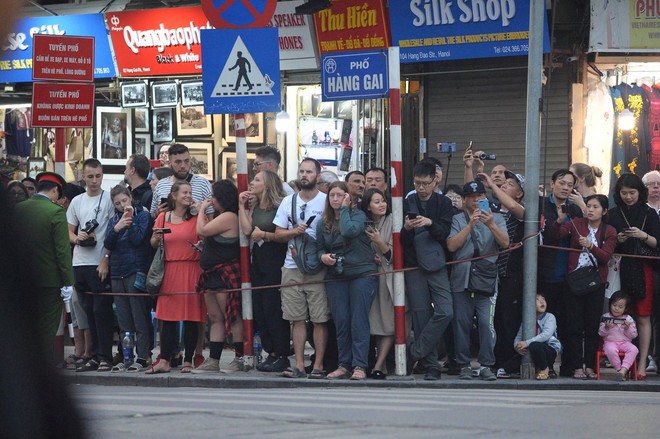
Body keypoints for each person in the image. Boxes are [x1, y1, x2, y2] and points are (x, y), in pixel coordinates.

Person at [150, 143, 213, 366]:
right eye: (178, 161)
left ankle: (192, 355)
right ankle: (167, 356)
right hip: (170, 262)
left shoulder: (203, 184)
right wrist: (160, 215)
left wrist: (200, 209)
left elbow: (211, 222)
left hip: (192, 260)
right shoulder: (161, 187)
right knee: (168, 313)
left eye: (186, 161)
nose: (183, 165)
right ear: (170, 162)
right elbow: (152, 215)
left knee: (192, 313)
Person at [548, 194, 617, 380]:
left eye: (595, 207)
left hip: (596, 283)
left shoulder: (609, 230)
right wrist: (559, 220)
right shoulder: (577, 223)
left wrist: (590, 245)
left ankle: (591, 367)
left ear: (604, 211)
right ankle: (577, 367)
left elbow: (605, 257)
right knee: (574, 326)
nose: (591, 210)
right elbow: (556, 234)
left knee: (592, 326)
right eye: (588, 206)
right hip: (574, 281)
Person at [447, 180, 509, 381]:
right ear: (464, 200)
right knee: (461, 324)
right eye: (471, 198)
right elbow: (451, 246)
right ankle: (464, 364)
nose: (476, 201)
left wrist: (489, 223)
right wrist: (470, 225)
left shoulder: (497, 218)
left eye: (479, 197)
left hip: (487, 280)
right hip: (461, 279)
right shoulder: (458, 218)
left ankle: (486, 365)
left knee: (485, 323)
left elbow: (505, 243)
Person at [272, 158, 328, 379]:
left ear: (317, 175)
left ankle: (319, 365)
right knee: (296, 318)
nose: (304, 175)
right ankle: (300, 365)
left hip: (318, 266)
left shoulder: (326, 201)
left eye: (309, 172)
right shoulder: (288, 202)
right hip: (292, 264)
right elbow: (278, 234)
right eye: (302, 171)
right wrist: (294, 232)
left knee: (319, 318)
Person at [317, 182, 377, 380]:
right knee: (341, 321)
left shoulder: (358, 215)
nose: (335, 199)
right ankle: (344, 364)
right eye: (332, 195)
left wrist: (344, 209)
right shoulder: (323, 221)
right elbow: (319, 247)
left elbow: (349, 231)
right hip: (336, 275)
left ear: (348, 198)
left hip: (361, 273)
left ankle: (360, 365)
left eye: (340, 195)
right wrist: (322, 257)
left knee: (358, 320)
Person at [146, 182, 206, 374]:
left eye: (190, 192)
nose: (188, 195)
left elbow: (206, 234)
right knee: (168, 318)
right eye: (185, 192)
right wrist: (155, 237)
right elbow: (154, 244)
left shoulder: (197, 217)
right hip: (170, 268)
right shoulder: (163, 217)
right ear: (174, 195)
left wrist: (200, 210)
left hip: (192, 268)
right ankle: (165, 359)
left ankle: (188, 360)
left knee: (191, 317)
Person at [401, 161, 454, 380]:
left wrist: (430, 223)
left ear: (435, 181)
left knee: (445, 311)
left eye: (425, 183)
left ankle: (416, 351)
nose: (421, 188)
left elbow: (445, 234)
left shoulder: (443, 202)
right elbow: (401, 241)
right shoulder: (406, 201)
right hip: (413, 264)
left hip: (437, 263)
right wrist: (406, 228)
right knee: (421, 315)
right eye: (417, 183)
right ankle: (431, 364)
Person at [14, 172, 74, 359]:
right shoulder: (55, 211)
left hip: (21, 279)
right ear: (55, 191)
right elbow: (62, 251)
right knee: (45, 328)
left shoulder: (18, 209)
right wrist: (67, 281)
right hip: (49, 281)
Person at [607, 173, 660, 379]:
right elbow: (607, 244)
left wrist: (643, 235)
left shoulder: (649, 213)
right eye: (624, 193)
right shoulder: (613, 213)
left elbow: (658, 243)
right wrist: (617, 239)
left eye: (632, 192)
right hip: (618, 268)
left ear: (640, 192)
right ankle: (622, 363)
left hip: (643, 267)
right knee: (620, 315)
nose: (628, 197)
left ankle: (642, 364)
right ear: (618, 193)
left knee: (644, 316)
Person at [238, 170, 290, 372]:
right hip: (258, 260)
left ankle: (282, 352)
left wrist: (265, 235)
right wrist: (242, 207)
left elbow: (282, 233)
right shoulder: (256, 206)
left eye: (257, 180)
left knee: (273, 308)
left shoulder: (280, 206)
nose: (252, 182)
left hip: (275, 259)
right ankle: (271, 351)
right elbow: (247, 230)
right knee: (259, 308)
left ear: (268, 184)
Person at [67, 159, 115, 373]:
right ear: (83, 177)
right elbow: (68, 231)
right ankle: (93, 355)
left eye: (97, 176)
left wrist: (106, 257)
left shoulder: (109, 200)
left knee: (101, 310)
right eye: (90, 176)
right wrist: (78, 238)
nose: (94, 180)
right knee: (86, 311)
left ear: (102, 175)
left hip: (99, 261)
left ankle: (104, 355)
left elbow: (113, 232)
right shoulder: (77, 201)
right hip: (79, 262)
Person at [194, 180, 244, 374]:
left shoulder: (230, 216)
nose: (211, 200)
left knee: (232, 316)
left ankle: (239, 357)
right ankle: (213, 359)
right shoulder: (220, 216)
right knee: (215, 317)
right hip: (211, 273)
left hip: (224, 273)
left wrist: (201, 210)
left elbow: (202, 230)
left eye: (214, 196)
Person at [538, 169, 584, 377]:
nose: (565, 187)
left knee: (569, 324)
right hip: (545, 275)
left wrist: (583, 206)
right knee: (544, 322)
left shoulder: (575, 210)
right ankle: (544, 366)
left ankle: (569, 367)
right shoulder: (541, 205)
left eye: (569, 184)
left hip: (571, 276)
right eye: (562, 183)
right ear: (552, 183)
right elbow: (546, 235)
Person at [103, 185, 153, 372]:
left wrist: (129, 223)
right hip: (117, 271)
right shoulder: (114, 220)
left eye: (124, 200)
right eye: (117, 203)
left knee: (139, 316)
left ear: (130, 198)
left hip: (135, 269)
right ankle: (127, 356)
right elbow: (107, 244)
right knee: (123, 319)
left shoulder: (143, 215)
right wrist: (116, 228)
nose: (122, 206)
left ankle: (143, 356)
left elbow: (139, 240)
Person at [361, 188, 394, 379]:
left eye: (383, 201)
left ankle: (379, 364)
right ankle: (378, 363)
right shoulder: (363, 224)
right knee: (375, 322)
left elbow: (393, 255)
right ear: (367, 206)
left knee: (388, 321)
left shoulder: (392, 220)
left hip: (389, 276)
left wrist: (380, 243)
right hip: (370, 276)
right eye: (376, 201)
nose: (382, 205)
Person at [513, 294, 562, 380]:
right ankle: (542, 369)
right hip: (531, 349)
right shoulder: (526, 319)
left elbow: (546, 334)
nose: (542, 301)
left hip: (549, 349)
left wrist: (527, 343)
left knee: (535, 345)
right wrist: (517, 346)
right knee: (509, 365)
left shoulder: (550, 317)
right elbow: (518, 336)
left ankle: (545, 369)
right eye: (537, 300)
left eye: (543, 299)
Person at [599, 291, 639, 381]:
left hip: (625, 342)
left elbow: (633, 335)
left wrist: (627, 328)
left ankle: (623, 370)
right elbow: (601, 333)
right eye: (614, 305)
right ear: (610, 304)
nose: (616, 308)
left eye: (620, 307)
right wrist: (606, 327)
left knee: (634, 349)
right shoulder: (606, 317)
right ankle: (619, 370)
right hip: (610, 342)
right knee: (610, 350)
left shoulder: (628, 319)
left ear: (626, 308)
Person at [643, 170, 660, 374]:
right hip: (644, 267)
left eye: (658, 183)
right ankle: (647, 356)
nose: (656, 187)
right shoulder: (641, 210)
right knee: (645, 315)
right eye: (651, 184)